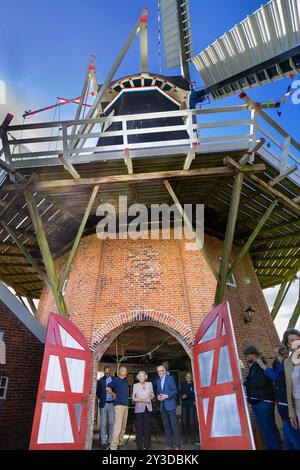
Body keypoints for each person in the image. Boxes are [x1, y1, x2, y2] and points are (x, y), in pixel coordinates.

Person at [256, 343, 300, 450]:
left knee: (293, 438)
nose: (274, 355)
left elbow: (278, 379)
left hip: (287, 404)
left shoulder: (287, 364)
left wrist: (264, 367)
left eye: (276, 353)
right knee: (288, 439)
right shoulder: (277, 364)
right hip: (281, 404)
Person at [243, 345, 282, 450]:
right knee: (264, 429)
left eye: (246, 355)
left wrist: (246, 382)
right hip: (258, 403)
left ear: (252, 354)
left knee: (269, 428)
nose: (246, 358)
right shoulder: (253, 367)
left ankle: (276, 448)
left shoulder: (261, 364)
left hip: (264, 402)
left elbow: (259, 382)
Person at [156, 364, 180, 450]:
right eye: (159, 371)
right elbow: (158, 392)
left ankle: (177, 445)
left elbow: (175, 391)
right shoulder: (158, 381)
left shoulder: (170, 378)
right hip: (162, 406)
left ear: (164, 371)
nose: (160, 372)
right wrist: (158, 396)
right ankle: (169, 445)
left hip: (170, 405)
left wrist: (166, 396)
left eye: (162, 370)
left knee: (174, 425)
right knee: (166, 426)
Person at [106, 366, 129, 450]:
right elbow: (107, 388)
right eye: (124, 371)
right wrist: (113, 394)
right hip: (118, 405)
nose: (125, 373)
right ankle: (113, 446)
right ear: (120, 372)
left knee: (123, 427)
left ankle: (120, 442)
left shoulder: (125, 381)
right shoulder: (115, 380)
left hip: (126, 405)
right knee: (117, 427)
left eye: (126, 371)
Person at [283, 328, 300, 431]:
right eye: (292, 340)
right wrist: (291, 413)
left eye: (298, 339)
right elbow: (289, 389)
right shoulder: (287, 362)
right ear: (288, 345)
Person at [132, 371, 154, 450]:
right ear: (138, 377)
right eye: (140, 376)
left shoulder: (149, 384)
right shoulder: (135, 385)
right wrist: (143, 400)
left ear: (146, 377)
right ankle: (139, 446)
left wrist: (150, 398)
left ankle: (147, 446)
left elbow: (152, 395)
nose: (142, 377)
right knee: (139, 428)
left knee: (147, 428)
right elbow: (134, 398)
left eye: (143, 376)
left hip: (148, 408)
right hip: (139, 409)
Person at [96, 366, 114, 449]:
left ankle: (110, 441)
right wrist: (102, 397)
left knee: (111, 423)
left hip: (112, 404)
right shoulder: (100, 380)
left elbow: (117, 391)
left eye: (108, 373)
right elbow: (98, 392)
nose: (107, 374)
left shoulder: (114, 380)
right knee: (103, 423)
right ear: (104, 372)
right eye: (105, 373)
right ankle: (103, 442)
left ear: (111, 371)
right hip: (103, 404)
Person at [180, 372, 196, 444]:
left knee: (192, 423)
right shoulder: (183, 384)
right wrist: (182, 395)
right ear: (185, 377)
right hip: (184, 406)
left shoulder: (194, 385)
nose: (189, 377)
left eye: (190, 376)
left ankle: (192, 439)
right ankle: (185, 439)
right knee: (184, 422)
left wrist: (187, 395)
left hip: (191, 406)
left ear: (192, 377)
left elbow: (194, 395)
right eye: (187, 376)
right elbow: (180, 392)